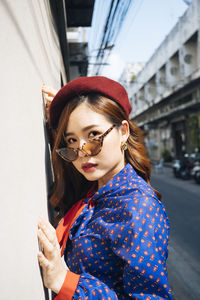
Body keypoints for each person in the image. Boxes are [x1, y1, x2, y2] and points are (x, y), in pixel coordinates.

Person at [37, 76, 173, 300]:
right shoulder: (95, 189)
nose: (82, 152)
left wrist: (64, 281)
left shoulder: (138, 206)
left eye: (93, 135)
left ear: (124, 131)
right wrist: (59, 116)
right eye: (71, 140)